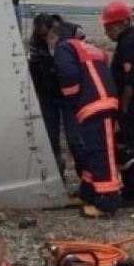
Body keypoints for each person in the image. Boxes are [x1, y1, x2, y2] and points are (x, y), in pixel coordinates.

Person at [46, 23, 122, 218]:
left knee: (103, 155)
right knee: (92, 152)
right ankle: (88, 194)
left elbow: (68, 75)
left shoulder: (64, 47)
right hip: (101, 102)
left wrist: (71, 99)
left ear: (54, 37)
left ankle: (108, 202)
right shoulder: (88, 48)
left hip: (95, 104)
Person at [27, 13, 85, 197]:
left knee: (75, 137)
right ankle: (57, 178)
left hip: (71, 95)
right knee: (50, 139)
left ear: (54, 28)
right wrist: (33, 95)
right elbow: (33, 68)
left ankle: (85, 178)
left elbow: (85, 62)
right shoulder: (36, 40)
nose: (45, 40)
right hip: (48, 95)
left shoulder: (74, 32)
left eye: (47, 36)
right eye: (41, 36)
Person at [101, 0, 134, 208]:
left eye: (108, 28)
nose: (107, 33)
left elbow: (130, 80)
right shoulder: (129, 40)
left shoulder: (129, 42)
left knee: (131, 148)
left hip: (133, 106)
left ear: (120, 24)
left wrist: (123, 108)